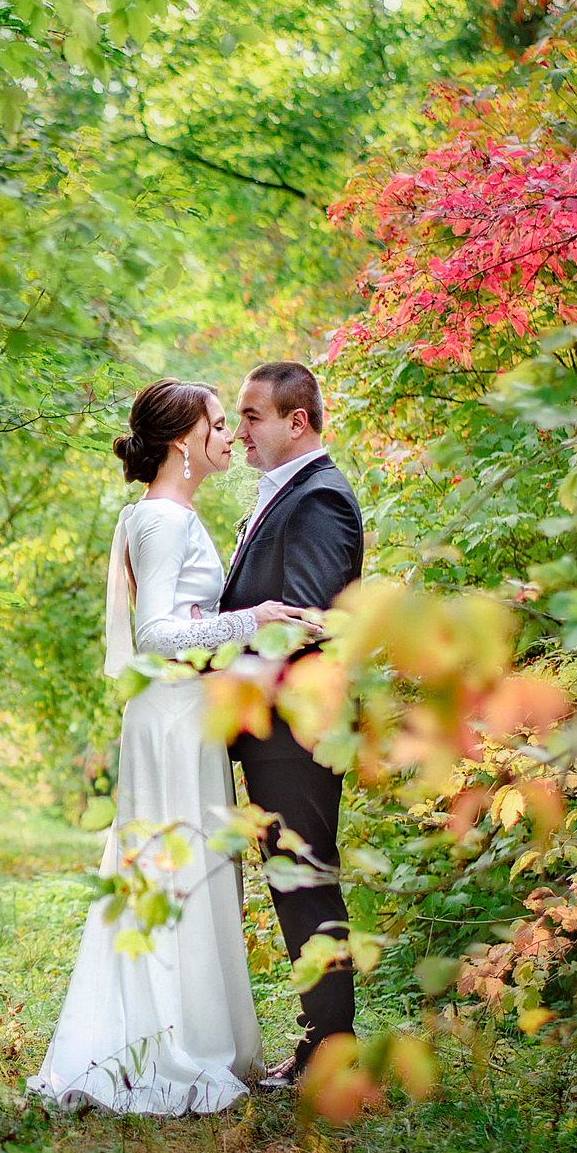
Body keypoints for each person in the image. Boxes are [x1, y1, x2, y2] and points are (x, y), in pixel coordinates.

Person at [27, 380, 320, 1115]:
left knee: (194, 866)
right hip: (170, 713)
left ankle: (198, 1028)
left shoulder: (176, 513)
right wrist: (247, 620)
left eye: (233, 424)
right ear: (184, 439)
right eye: (220, 425)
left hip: (189, 711)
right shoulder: (161, 519)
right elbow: (156, 633)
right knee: (170, 866)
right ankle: (165, 1046)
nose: (232, 437)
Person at [218, 360, 365, 1090]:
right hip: (276, 726)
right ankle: (320, 1043)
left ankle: (331, 1052)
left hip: (298, 725)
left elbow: (302, 622)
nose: (237, 429)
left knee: (305, 880)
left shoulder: (319, 500)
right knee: (293, 880)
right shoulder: (288, 494)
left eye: (250, 416)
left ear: (295, 420)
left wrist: (213, 673)